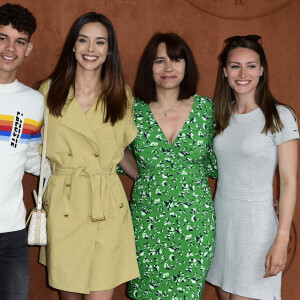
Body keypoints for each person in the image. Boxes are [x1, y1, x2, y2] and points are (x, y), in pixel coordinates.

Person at [37, 12, 139, 300]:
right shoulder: (48, 92)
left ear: (109, 51)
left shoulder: (122, 94)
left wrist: (146, 179)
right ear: (73, 45)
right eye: (83, 40)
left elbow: (121, 152)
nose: (90, 49)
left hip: (105, 201)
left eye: (100, 42)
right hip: (64, 203)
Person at [122, 33, 217, 299]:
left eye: (176, 60)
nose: (168, 68)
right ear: (148, 67)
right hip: (148, 221)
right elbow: (114, 149)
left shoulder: (207, 110)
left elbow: (231, 160)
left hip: (195, 224)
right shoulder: (132, 111)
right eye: (159, 61)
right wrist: (146, 176)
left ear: (187, 66)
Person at [206, 35, 298, 300]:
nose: (243, 73)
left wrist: (281, 238)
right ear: (224, 71)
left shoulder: (280, 115)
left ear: (262, 69)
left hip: (258, 232)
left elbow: (290, 181)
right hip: (222, 226)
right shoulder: (220, 116)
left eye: (251, 65)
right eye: (235, 66)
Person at [0, 3, 43, 300]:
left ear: (29, 48)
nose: (10, 48)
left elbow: (30, 158)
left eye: (20, 40)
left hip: (12, 233)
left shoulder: (34, 101)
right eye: (2, 37)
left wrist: (71, 163)